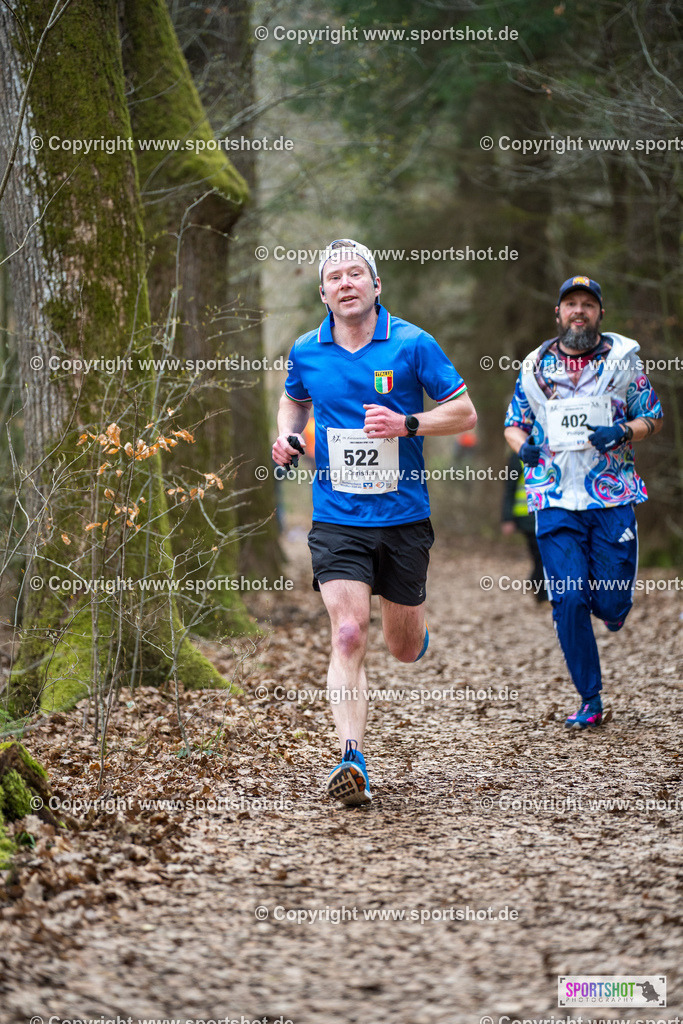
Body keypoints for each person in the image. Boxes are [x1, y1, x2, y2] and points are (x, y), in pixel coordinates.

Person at [271, 239, 476, 805]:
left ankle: (412, 632)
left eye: (356, 273)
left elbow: (464, 412)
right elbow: (293, 400)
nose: (346, 283)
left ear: (376, 285)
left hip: (405, 515)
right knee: (347, 631)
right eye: (334, 276)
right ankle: (351, 756)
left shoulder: (413, 343)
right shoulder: (306, 351)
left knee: (403, 647)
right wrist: (288, 436)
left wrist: (407, 424)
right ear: (323, 293)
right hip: (337, 516)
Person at [503, 275, 663, 729]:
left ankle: (612, 609)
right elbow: (514, 423)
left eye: (587, 305)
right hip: (554, 496)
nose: (578, 311)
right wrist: (523, 449)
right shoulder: (535, 368)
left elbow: (653, 416)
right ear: (558, 313)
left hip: (610, 495)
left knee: (611, 605)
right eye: (570, 304)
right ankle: (590, 698)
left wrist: (624, 431)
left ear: (599, 315)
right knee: (568, 598)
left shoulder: (623, 363)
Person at [500, 449, 547, 602]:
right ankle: (541, 593)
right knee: (540, 556)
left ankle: (538, 585)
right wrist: (507, 518)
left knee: (544, 555)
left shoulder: (549, 450)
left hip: (546, 514)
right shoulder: (516, 456)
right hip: (526, 517)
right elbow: (510, 488)